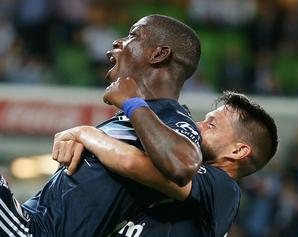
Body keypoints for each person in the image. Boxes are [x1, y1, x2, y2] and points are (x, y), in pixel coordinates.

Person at [0, 14, 203, 237]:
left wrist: (132, 102)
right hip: (28, 220)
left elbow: (184, 164)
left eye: (133, 35)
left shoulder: (173, 119)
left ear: (158, 54)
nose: (118, 42)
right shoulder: (129, 118)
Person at [53, 90, 278, 237]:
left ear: (238, 150)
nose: (196, 126)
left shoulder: (223, 188)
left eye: (211, 125)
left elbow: (132, 162)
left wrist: (86, 133)